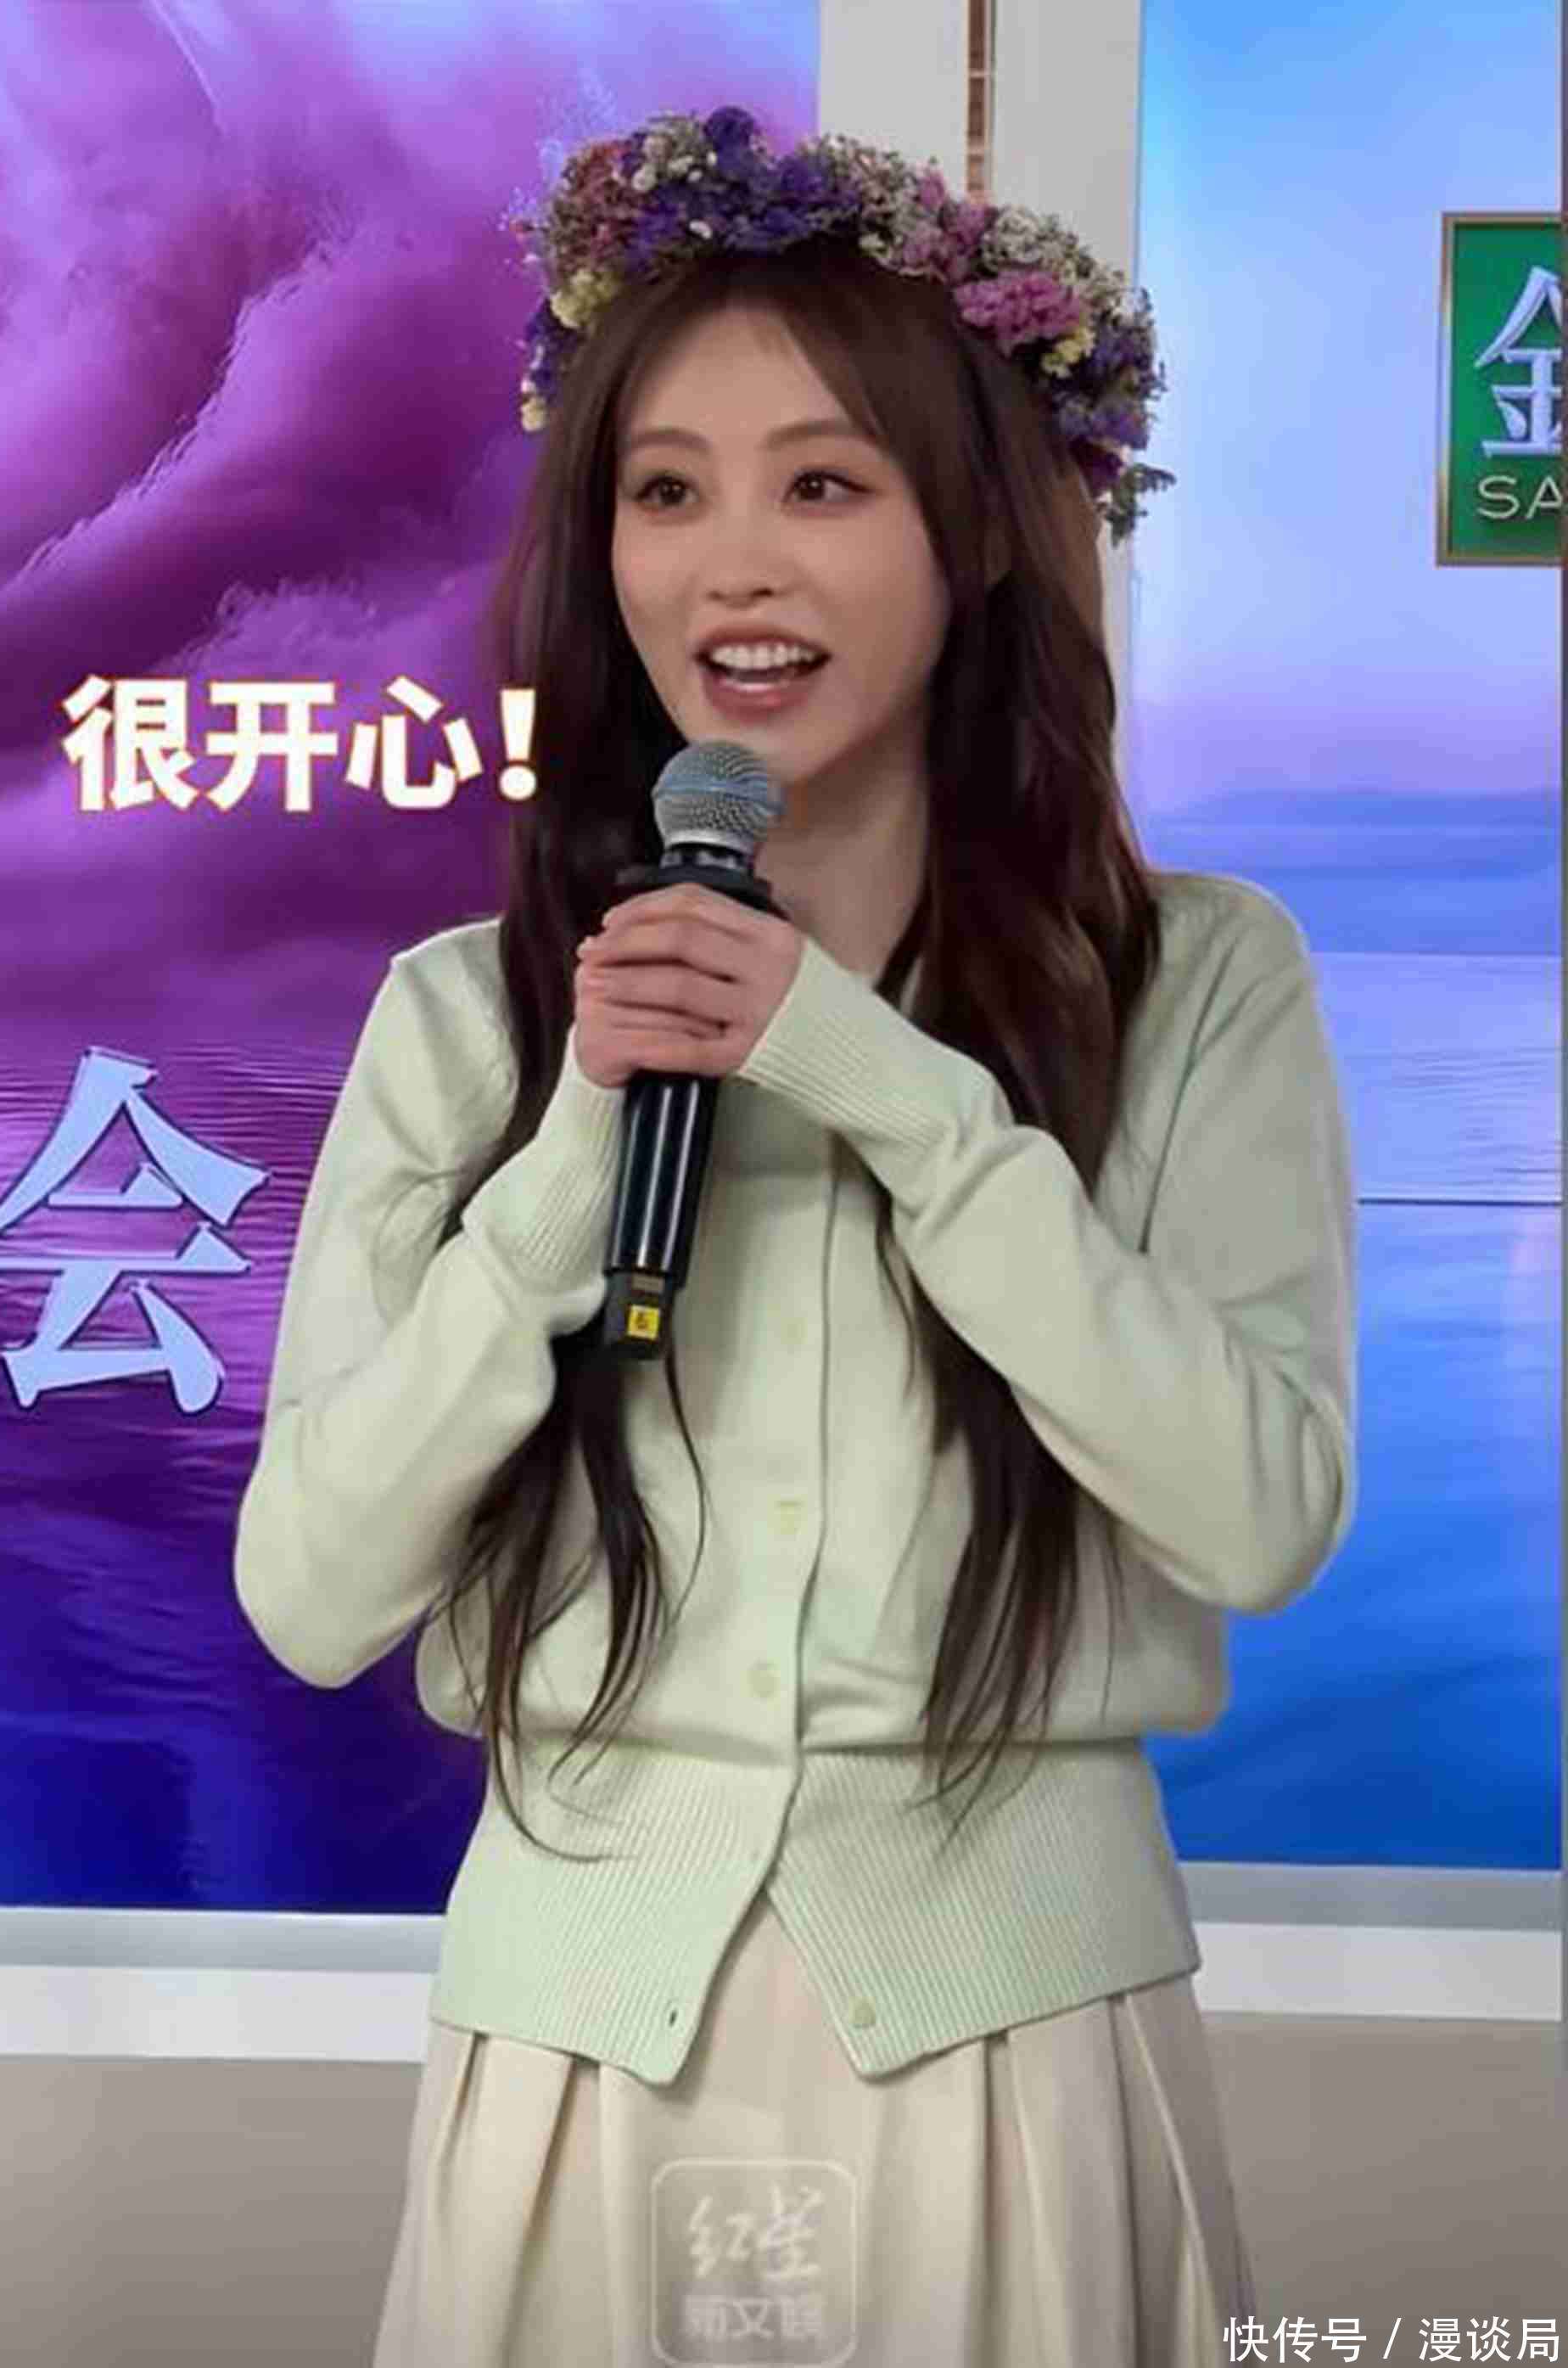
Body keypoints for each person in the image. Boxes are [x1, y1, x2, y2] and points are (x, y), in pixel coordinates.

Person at [232, 105, 1358, 2366]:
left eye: (823, 485)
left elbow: (1256, 1516)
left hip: (1012, 2032)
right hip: (577, 2043)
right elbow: (315, 1592)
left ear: (981, 536)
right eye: (667, 492)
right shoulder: (466, 1018)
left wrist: (883, 1085)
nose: (734, 567)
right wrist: (574, 1159)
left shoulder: (1197, 984)